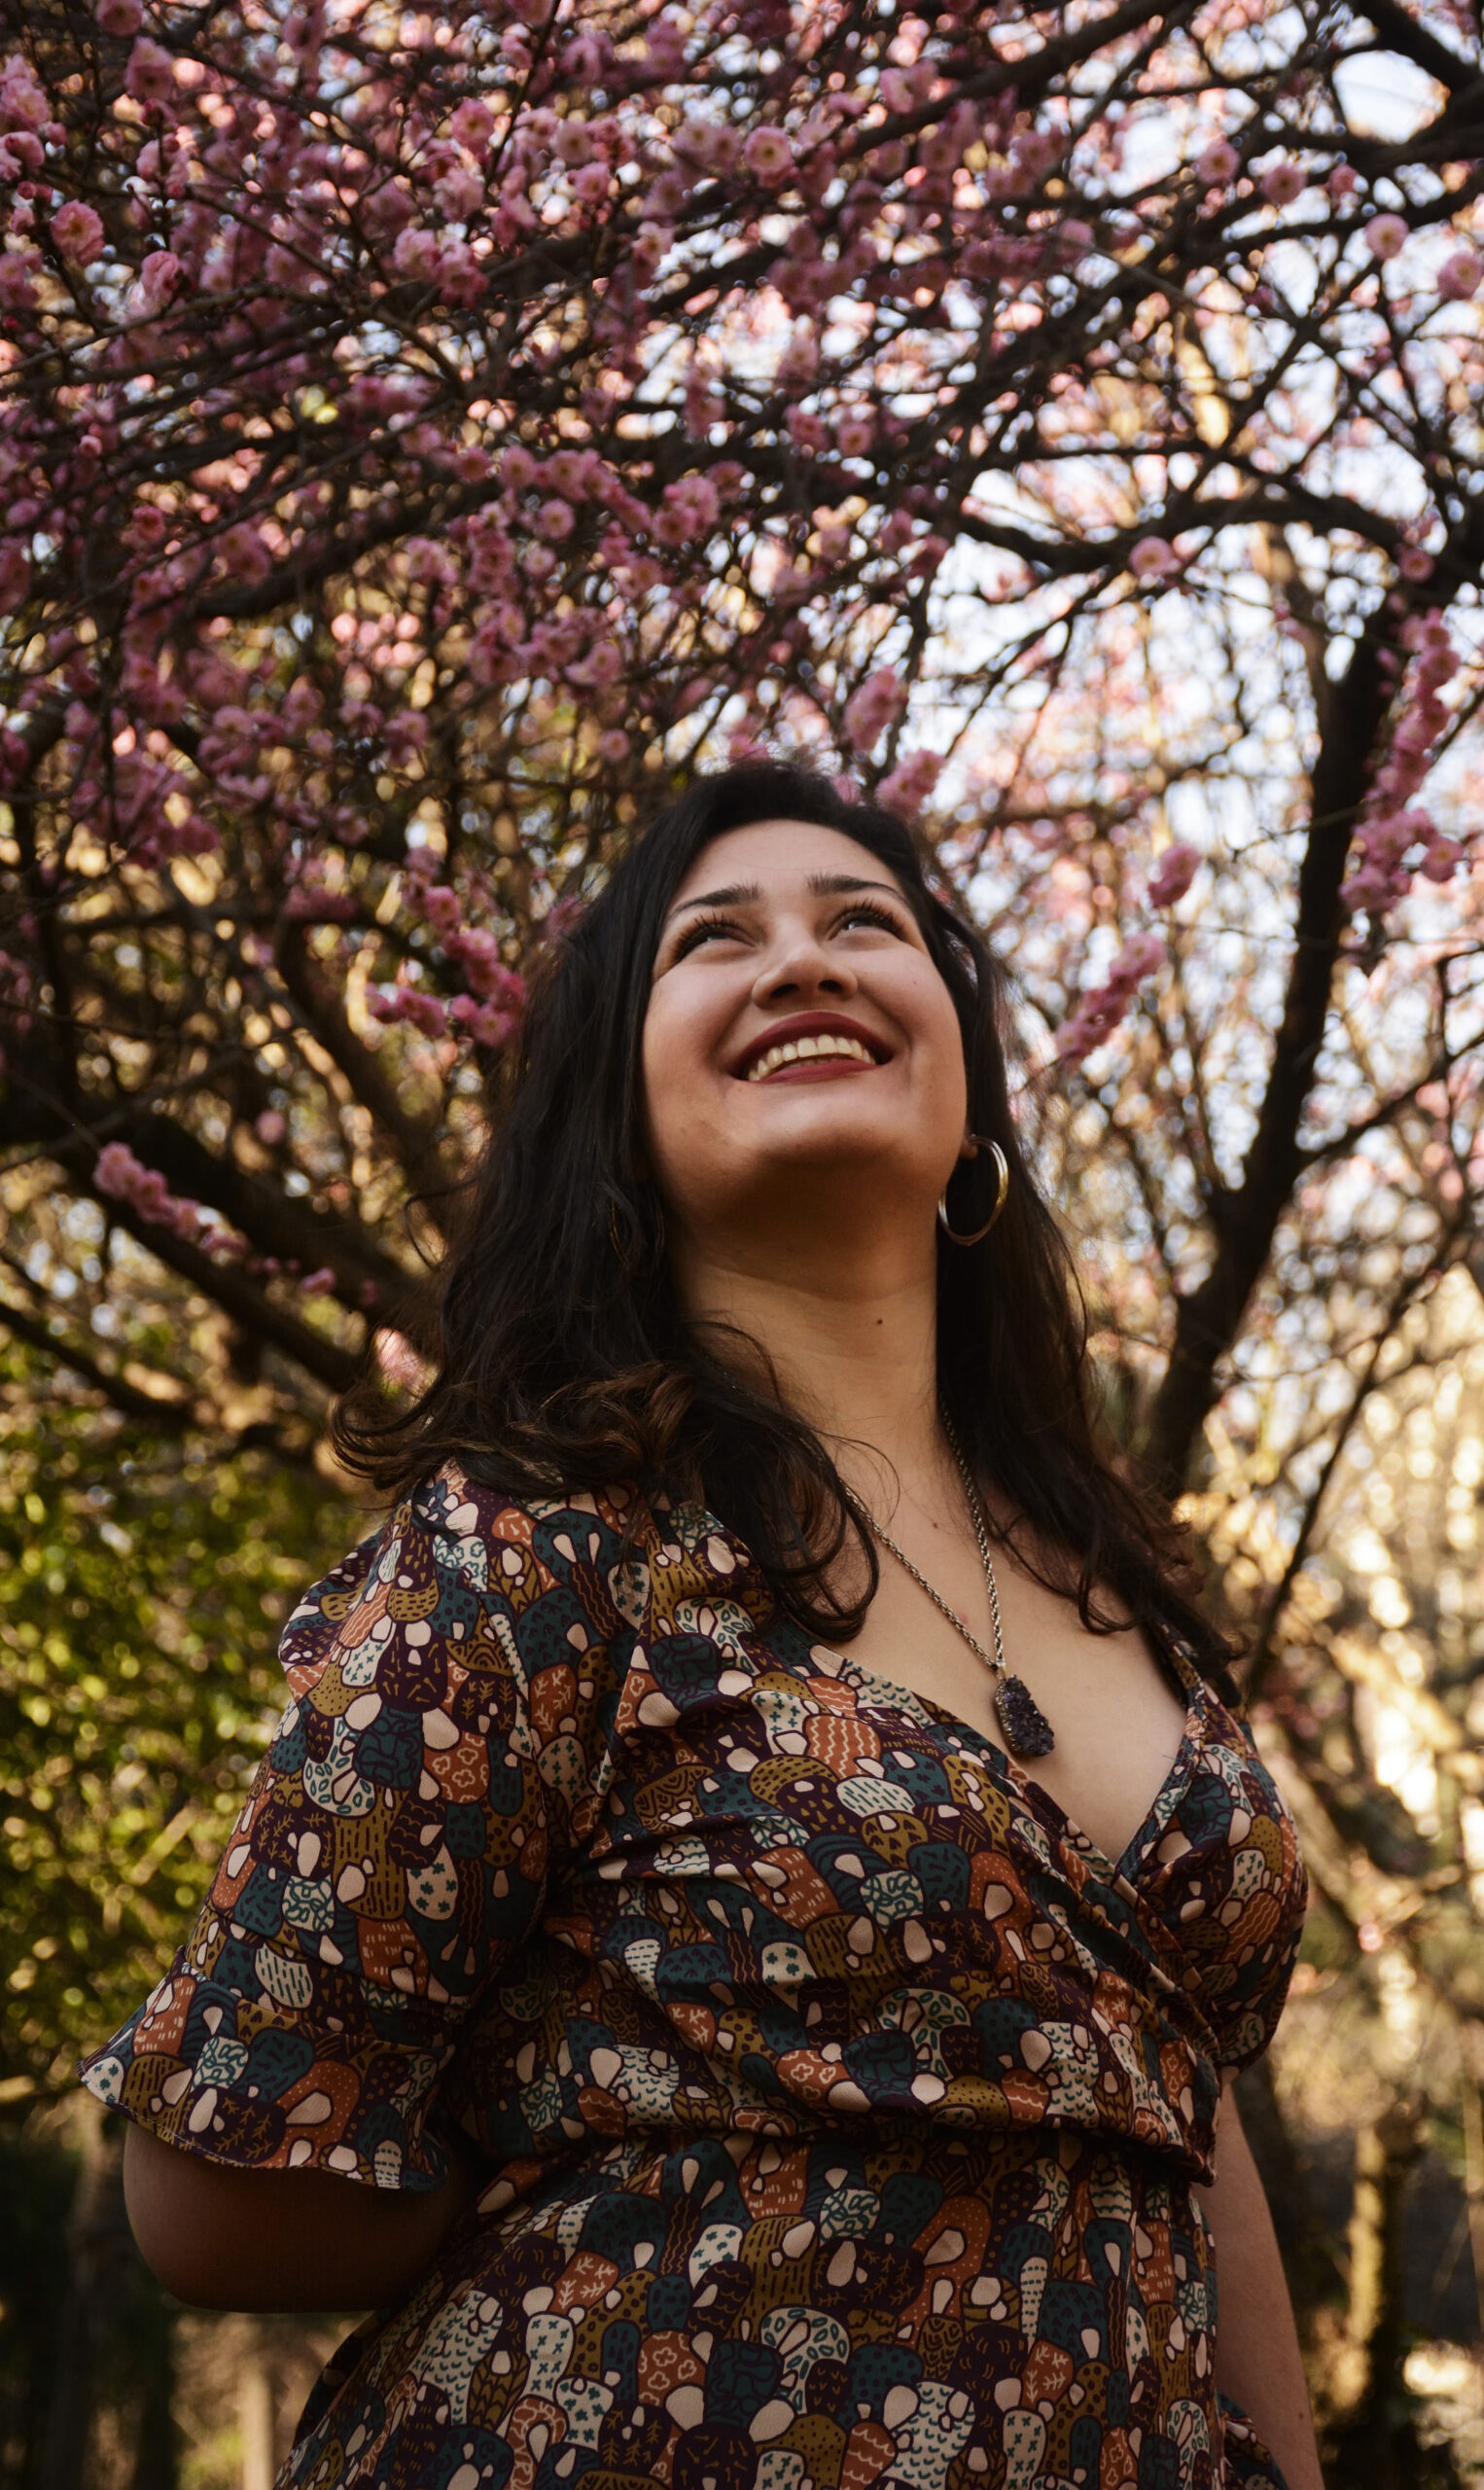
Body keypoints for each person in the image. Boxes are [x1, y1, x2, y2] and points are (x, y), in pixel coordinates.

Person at [88, 762, 1319, 2490]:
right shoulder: (532, 1553)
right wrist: (588, 2137)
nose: (804, 962)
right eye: (715, 941)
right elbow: (208, 2196)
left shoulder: (1113, 1570)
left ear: (969, 1087)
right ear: (621, 1108)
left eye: (865, 924)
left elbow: (1183, 2105)